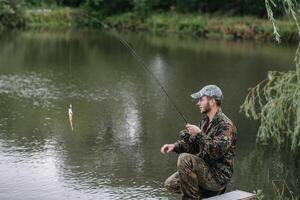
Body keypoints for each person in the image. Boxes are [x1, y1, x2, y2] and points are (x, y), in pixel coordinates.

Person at [160, 85, 237, 199]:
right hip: (205, 171)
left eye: (201, 99)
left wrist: (199, 134)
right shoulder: (205, 122)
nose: (198, 103)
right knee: (170, 184)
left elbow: (216, 152)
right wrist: (174, 146)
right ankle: (203, 196)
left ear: (212, 101)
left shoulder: (226, 126)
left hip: (218, 177)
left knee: (185, 159)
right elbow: (193, 146)